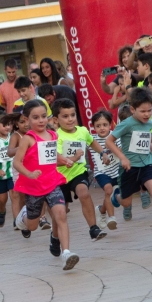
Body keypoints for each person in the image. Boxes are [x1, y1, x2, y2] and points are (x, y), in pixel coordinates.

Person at [12, 100, 79, 270]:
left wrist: (65, 160)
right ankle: (22, 218)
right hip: (33, 187)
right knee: (32, 226)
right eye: (35, 117)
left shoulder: (53, 135)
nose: (41, 120)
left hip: (52, 182)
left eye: (43, 116)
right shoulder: (28, 139)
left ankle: (66, 253)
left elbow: (52, 155)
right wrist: (29, 174)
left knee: (61, 214)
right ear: (27, 120)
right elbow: (17, 162)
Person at [106, 88, 152, 240]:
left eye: (149, 110)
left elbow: (145, 141)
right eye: (143, 111)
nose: (147, 114)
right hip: (129, 167)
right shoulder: (126, 124)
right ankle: (116, 196)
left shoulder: (149, 123)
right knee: (126, 203)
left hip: (146, 165)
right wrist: (122, 158)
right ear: (133, 109)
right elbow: (109, 141)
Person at [53, 98, 107, 242]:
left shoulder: (82, 131)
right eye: (65, 116)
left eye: (72, 115)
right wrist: (74, 158)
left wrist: (102, 153)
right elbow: (56, 161)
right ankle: (55, 236)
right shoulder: (56, 136)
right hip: (59, 177)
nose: (70, 119)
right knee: (60, 211)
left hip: (78, 172)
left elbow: (92, 142)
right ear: (56, 119)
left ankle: (94, 228)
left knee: (84, 193)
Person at [90, 110, 121, 228]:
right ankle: (111, 217)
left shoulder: (114, 136)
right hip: (101, 172)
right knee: (108, 190)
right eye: (98, 126)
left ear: (110, 125)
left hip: (117, 170)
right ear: (94, 127)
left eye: (105, 125)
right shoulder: (91, 139)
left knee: (115, 194)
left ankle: (101, 210)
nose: (102, 128)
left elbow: (122, 151)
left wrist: (113, 148)